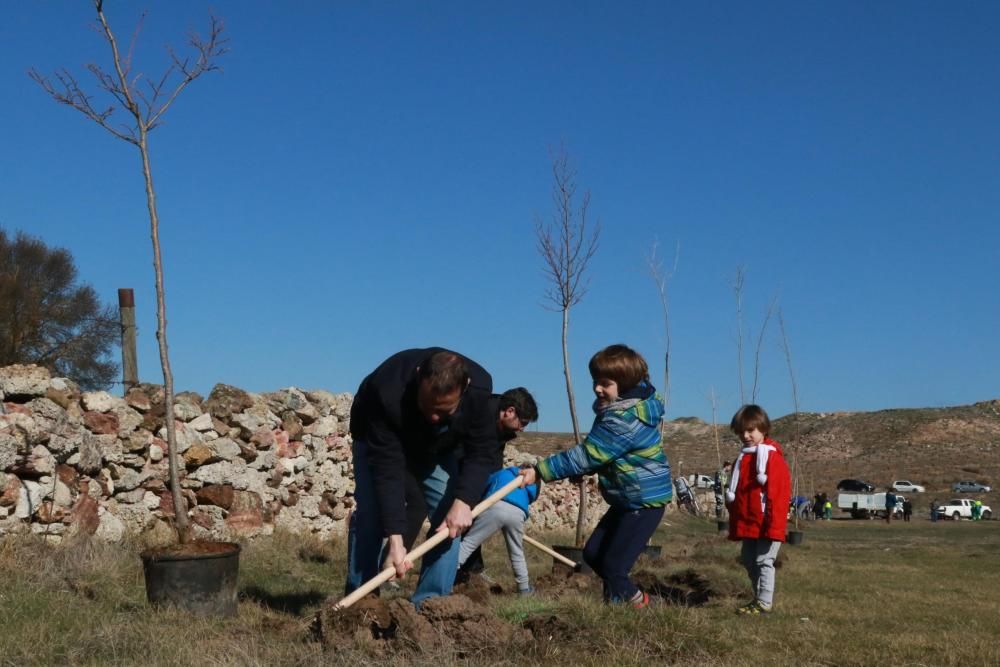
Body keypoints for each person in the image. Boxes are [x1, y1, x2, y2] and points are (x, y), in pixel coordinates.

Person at [345, 348, 499, 607]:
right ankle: (362, 601)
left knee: (450, 520)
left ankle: (431, 605)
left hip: (436, 446)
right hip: (376, 438)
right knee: (371, 513)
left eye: (444, 410)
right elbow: (388, 469)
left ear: (465, 388)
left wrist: (463, 501)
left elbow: (482, 452)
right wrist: (396, 539)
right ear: (418, 378)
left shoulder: (480, 391)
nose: (434, 416)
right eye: (428, 407)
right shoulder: (386, 390)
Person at [520, 344, 671, 609]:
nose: (597, 389)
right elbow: (608, 455)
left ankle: (644, 605)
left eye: (605, 383)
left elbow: (590, 454)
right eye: (595, 382)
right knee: (593, 554)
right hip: (627, 499)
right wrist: (589, 469)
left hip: (643, 502)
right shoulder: (616, 410)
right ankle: (614, 606)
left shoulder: (624, 418)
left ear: (623, 385)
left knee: (614, 566)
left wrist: (541, 471)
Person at [456, 388, 539, 582]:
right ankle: (445, 571)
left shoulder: (501, 430)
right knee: (458, 527)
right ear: (510, 411)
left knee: (471, 526)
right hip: (456, 469)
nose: (522, 429)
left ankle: (471, 571)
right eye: (523, 422)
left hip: (476, 477)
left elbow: (492, 463)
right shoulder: (482, 415)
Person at [725, 404, 791, 615]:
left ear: (763, 428)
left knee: (764, 560)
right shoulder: (742, 459)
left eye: (750, 430)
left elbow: (778, 494)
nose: (745, 436)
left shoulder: (772, 458)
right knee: (748, 559)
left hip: (766, 521)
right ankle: (758, 597)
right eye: (741, 432)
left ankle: (764, 601)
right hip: (749, 521)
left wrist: (775, 523)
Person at [456, 465, 539, 595]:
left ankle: (446, 577)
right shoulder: (531, 483)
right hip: (518, 513)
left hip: (496, 505)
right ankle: (524, 589)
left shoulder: (504, 473)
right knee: (517, 553)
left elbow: (485, 484)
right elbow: (531, 497)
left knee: (469, 543)